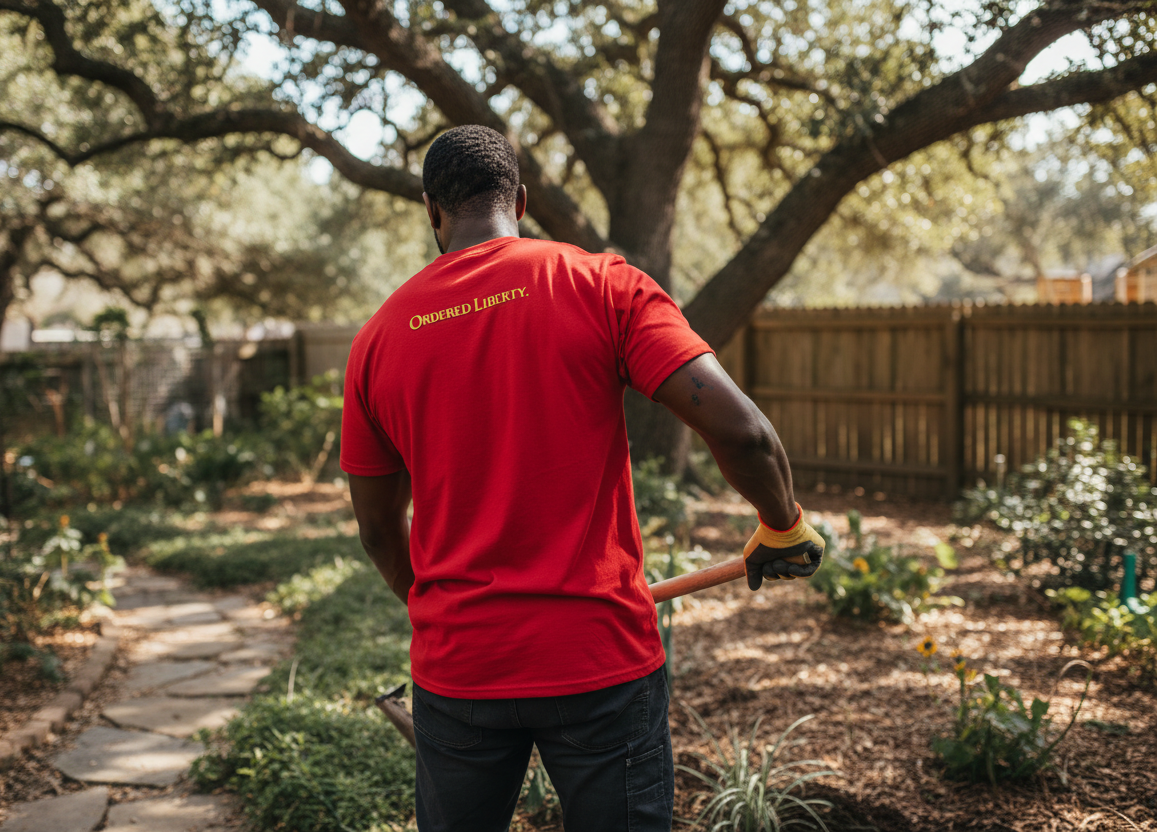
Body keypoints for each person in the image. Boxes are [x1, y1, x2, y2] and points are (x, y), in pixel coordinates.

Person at [342, 124, 823, 832]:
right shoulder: (603, 284)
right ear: (523, 201)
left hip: (461, 671)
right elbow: (744, 434)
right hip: (599, 663)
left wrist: (451, 614)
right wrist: (783, 524)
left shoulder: (378, 340)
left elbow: (379, 530)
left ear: (431, 211)